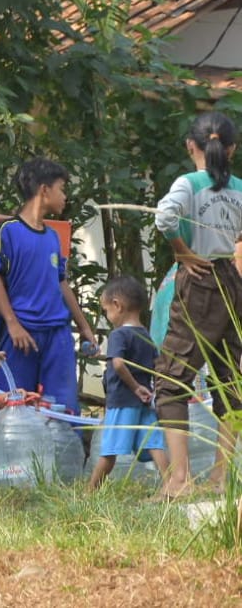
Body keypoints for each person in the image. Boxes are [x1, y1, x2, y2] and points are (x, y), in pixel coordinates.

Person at [152, 111, 242, 499]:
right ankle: (221, 477)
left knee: (171, 380)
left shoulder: (188, 183)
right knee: (231, 380)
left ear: (192, 146)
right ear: (232, 149)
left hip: (200, 281)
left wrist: (182, 252)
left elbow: (164, 216)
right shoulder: (239, 188)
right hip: (230, 283)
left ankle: (180, 480)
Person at [0, 157, 98, 413]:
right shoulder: (7, 230)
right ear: (44, 190)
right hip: (20, 334)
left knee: (63, 409)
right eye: (62, 188)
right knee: (13, 407)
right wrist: (12, 324)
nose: (65, 196)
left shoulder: (53, 236)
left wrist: (84, 327)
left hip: (57, 333)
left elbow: (61, 282)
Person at [88, 276, 168, 491]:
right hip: (144, 400)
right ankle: (172, 484)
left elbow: (119, 364)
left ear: (117, 305)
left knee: (109, 449)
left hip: (123, 399)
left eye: (106, 310)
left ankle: (89, 492)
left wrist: (133, 387)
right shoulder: (146, 336)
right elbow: (156, 366)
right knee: (153, 443)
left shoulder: (119, 334)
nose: (107, 315)